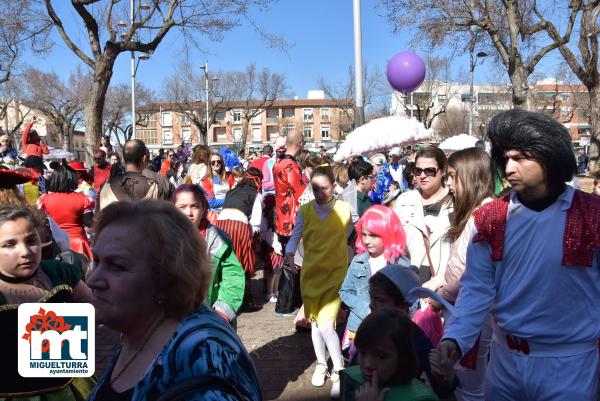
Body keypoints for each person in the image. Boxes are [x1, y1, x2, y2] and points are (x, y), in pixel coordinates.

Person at [432, 110, 600, 400]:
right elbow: (476, 290)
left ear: (549, 156)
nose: (509, 168)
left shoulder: (592, 215)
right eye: (505, 158)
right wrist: (455, 339)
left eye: (520, 158)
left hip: (570, 366)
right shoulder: (488, 218)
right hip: (504, 365)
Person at [86, 201, 260, 400]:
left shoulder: (202, 358)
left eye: (116, 266)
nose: (92, 280)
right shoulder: (140, 329)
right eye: (97, 261)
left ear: (166, 277)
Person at [0, 204, 95, 399]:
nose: (25, 251)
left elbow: (96, 311)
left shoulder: (59, 273)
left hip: (67, 390)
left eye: (31, 240)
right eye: (9, 244)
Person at [425, 147, 494, 401]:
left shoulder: (484, 216)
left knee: (468, 388)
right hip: (460, 314)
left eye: (453, 176)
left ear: (472, 175)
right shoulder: (472, 213)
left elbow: (470, 275)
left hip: (473, 320)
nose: (449, 184)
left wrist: (439, 295)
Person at [285, 164, 352, 398]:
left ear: (334, 186)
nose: (319, 193)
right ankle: (322, 364)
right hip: (311, 275)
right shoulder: (305, 211)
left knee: (325, 323)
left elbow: (355, 234)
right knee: (314, 322)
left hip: (336, 276)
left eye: (324, 188)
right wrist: (290, 253)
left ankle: (340, 370)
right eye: (315, 188)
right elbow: (296, 235)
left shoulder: (345, 209)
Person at [366, 266, 458, 398]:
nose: (371, 305)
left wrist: (446, 378)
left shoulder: (415, 340)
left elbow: (442, 388)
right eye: (371, 298)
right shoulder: (370, 329)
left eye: (380, 300)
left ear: (403, 306)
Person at [172, 185, 245, 325]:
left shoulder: (218, 240)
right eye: (182, 207)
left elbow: (233, 276)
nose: (189, 212)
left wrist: (222, 312)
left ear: (204, 208)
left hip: (212, 317)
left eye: (194, 206)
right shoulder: (162, 239)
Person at [339, 205, 409, 349]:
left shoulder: (400, 265)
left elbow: (409, 301)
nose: (367, 240)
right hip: (358, 326)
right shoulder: (358, 262)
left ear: (388, 233)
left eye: (373, 235)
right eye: (364, 234)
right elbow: (345, 291)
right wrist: (367, 309)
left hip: (389, 331)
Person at [341, 308, 438, 401]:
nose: (368, 364)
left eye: (381, 356)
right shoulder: (353, 381)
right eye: (362, 353)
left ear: (403, 358)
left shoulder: (420, 398)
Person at [392, 146, 453, 288]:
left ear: (443, 171)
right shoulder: (403, 201)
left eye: (430, 170)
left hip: (443, 286)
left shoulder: (455, 202)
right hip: (409, 282)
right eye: (418, 170)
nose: (422, 175)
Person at [215, 168, 263, 312]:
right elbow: (256, 222)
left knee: (225, 262)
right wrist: (251, 239)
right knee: (244, 263)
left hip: (221, 224)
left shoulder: (232, 190)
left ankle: (221, 300)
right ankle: (245, 303)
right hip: (238, 225)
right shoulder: (256, 194)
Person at [38, 165, 95, 261]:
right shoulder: (83, 199)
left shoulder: (43, 200)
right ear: (72, 179)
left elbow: (41, 224)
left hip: (55, 245)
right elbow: (89, 224)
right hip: (78, 245)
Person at [99, 139, 171, 209]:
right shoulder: (155, 187)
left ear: (124, 158)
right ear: (144, 158)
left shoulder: (106, 187)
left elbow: (98, 218)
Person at [273, 130, 306, 253]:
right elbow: (301, 195)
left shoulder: (279, 162)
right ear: (301, 143)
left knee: (286, 260)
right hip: (291, 220)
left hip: (281, 218)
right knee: (292, 263)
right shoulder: (290, 165)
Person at [200, 152, 235, 218]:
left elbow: (236, 193)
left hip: (231, 211)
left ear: (222, 163)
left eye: (219, 161)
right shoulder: (206, 180)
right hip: (216, 214)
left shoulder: (229, 176)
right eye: (213, 162)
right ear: (210, 164)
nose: (216, 163)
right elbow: (211, 202)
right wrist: (229, 200)